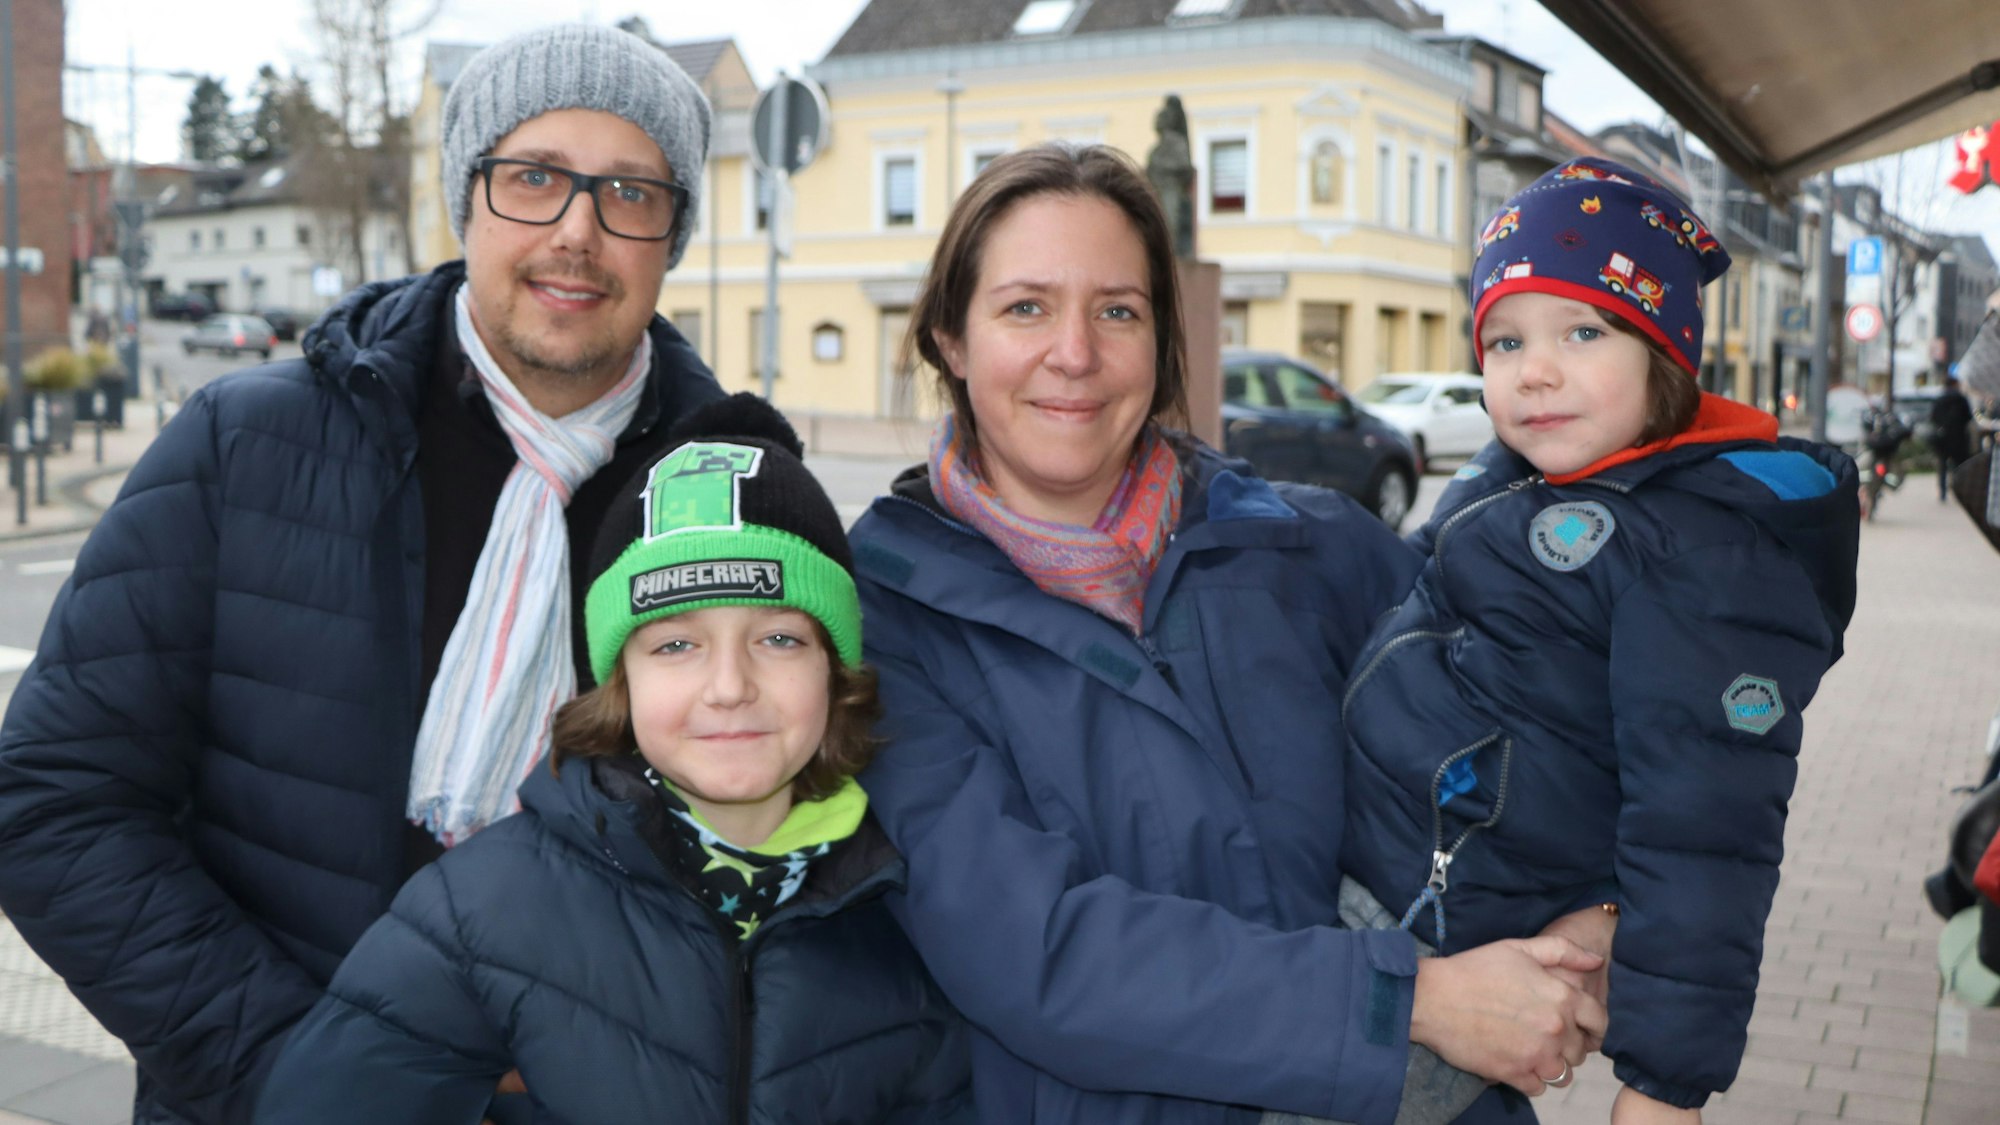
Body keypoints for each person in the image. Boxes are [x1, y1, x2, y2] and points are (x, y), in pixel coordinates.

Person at [0, 23, 724, 1125]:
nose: (577, 230)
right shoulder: (248, 445)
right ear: (465, 198)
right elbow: (53, 801)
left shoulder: (734, 502)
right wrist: (311, 1074)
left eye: (630, 192)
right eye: (532, 177)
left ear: (670, 235)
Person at [848, 142, 1613, 1125]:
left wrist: (1589, 924)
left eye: (1116, 310)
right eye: (1024, 307)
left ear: (1162, 342)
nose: (1073, 353)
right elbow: (1035, 956)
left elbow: (1542, 717)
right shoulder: (884, 620)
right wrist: (1413, 1002)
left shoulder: (1314, 547)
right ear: (950, 340)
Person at [255, 393, 971, 1124]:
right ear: (618, 683)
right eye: (676, 645)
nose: (729, 687)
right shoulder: (478, 915)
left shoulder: (905, 915)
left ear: (835, 666)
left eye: (779, 638)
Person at [1337, 158, 1860, 1125]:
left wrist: (1664, 1085)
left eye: (1582, 331)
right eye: (1503, 340)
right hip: (1371, 863)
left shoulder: (1703, 554)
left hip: (1447, 923)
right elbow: (1411, 587)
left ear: (1665, 355)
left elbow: (1707, 831)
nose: (1533, 370)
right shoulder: (1527, 475)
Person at [1930, 375, 1975, 500]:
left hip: (1943, 437)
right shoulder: (1961, 399)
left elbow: (1933, 417)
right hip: (1959, 437)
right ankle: (1958, 489)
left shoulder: (1940, 399)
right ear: (1955, 384)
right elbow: (1968, 417)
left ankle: (1942, 491)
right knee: (1959, 465)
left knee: (1942, 465)